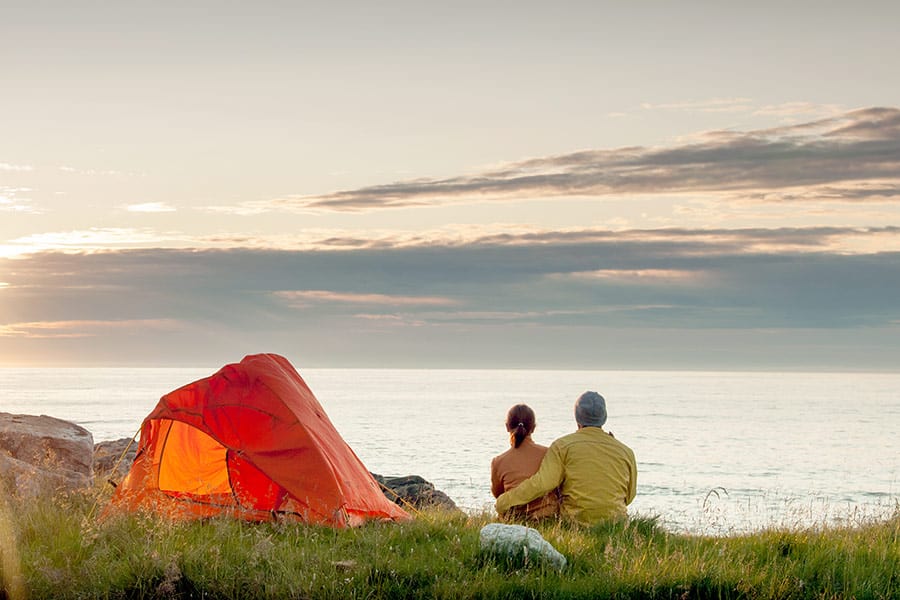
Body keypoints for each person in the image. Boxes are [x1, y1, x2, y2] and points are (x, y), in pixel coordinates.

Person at [495, 391, 637, 525]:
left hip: (575, 523)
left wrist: (504, 501)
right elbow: (629, 496)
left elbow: (542, 484)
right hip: (616, 523)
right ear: (604, 417)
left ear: (577, 417)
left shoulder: (562, 446)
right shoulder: (626, 451)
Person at [490, 404, 560, 521]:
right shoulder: (548, 454)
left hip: (514, 519)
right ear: (533, 428)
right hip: (547, 518)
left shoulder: (498, 461)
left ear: (507, 427)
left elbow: (498, 494)